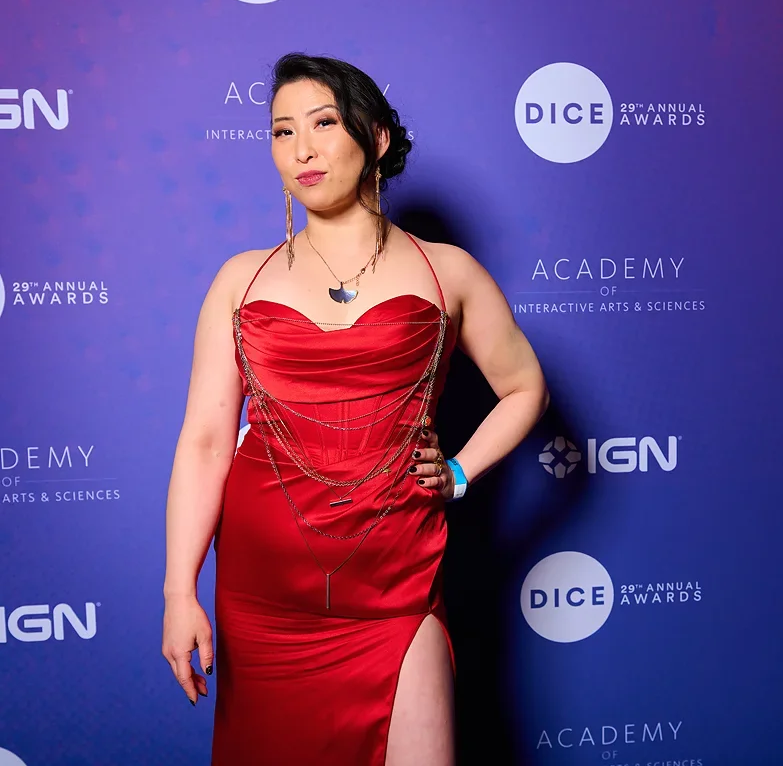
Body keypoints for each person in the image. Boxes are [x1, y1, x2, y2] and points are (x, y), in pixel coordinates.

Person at [161, 52, 549, 765]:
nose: (301, 149)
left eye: (323, 123)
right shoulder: (238, 281)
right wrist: (178, 589)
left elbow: (526, 386)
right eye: (281, 132)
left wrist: (460, 473)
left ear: (374, 138)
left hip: (395, 588)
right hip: (263, 600)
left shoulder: (447, 270)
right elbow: (207, 442)